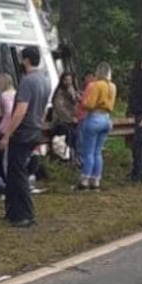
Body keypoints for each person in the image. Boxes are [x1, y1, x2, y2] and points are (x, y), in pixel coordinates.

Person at [0, 46, 51, 228]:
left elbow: (20, 111)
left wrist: (7, 134)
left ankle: (25, 214)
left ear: (27, 60)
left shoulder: (27, 81)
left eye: (22, 59)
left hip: (23, 132)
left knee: (17, 172)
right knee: (15, 172)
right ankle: (12, 211)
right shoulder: (44, 81)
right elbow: (44, 108)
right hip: (35, 129)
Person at [76, 62, 116, 190]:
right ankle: (96, 179)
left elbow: (89, 104)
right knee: (98, 152)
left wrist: (82, 100)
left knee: (88, 151)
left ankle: (85, 178)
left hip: (94, 117)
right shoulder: (112, 86)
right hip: (107, 118)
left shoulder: (95, 85)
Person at [50, 72, 79, 162]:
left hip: (73, 120)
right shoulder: (59, 93)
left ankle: (75, 157)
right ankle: (69, 157)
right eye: (66, 80)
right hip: (61, 122)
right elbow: (60, 109)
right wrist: (70, 119)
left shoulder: (72, 90)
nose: (68, 82)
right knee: (69, 135)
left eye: (70, 80)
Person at [0, 73, 16, 181]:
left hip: (4, 128)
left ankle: (5, 181)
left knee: (0, 158)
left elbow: (6, 112)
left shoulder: (3, 96)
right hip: (15, 129)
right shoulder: (16, 93)